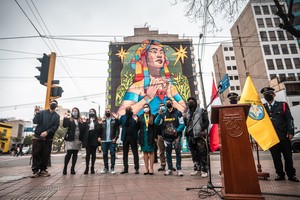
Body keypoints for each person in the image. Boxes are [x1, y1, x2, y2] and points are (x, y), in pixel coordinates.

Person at [117, 40, 186, 116]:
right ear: (144, 57)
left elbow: (184, 111)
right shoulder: (138, 86)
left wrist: (170, 96)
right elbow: (120, 114)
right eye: (154, 51)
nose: (159, 55)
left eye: (161, 52)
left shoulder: (169, 85)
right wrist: (147, 98)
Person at [261, 87, 299, 182]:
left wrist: (290, 132)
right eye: (265, 95)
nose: (267, 96)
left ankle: (291, 175)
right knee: (276, 158)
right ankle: (280, 174)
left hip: (284, 136)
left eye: (269, 94)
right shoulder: (262, 108)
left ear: (274, 95)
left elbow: (289, 119)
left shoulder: (283, 105)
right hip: (272, 138)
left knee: (288, 157)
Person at [154, 98, 185, 176]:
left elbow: (182, 124)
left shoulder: (178, 113)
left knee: (178, 153)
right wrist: (159, 114)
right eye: (167, 102)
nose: (168, 103)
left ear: (172, 103)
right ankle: (169, 169)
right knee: (168, 153)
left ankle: (179, 169)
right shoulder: (163, 114)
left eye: (169, 102)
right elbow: (156, 122)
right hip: (167, 138)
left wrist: (176, 131)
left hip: (176, 137)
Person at [31, 100, 60, 178]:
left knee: (45, 154)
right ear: (50, 104)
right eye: (52, 103)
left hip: (48, 138)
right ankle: (35, 171)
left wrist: (47, 132)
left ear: (56, 106)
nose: (53, 104)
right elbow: (35, 121)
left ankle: (43, 170)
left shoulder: (57, 116)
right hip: (38, 136)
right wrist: (37, 113)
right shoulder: (42, 112)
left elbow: (55, 127)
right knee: (36, 153)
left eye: (55, 103)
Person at [184, 97, 209, 177]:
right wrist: (185, 119)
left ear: (195, 103)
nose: (190, 103)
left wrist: (202, 129)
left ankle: (204, 170)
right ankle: (197, 169)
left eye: (191, 101)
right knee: (194, 154)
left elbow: (206, 122)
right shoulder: (187, 113)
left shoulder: (201, 111)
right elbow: (186, 124)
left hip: (199, 135)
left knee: (202, 153)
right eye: (188, 102)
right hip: (191, 136)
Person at [119, 106, 140, 174]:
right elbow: (118, 124)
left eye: (130, 109)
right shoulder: (122, 117)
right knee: (125, 154)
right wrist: (116, 119)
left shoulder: (135, 116)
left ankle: (136, 168)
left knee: (135, 153)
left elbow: (138, 127)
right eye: (127, 109)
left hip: (133, 137)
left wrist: (137, 121)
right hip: (125, 137)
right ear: (125, 110)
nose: (128, 110)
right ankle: (125, 168)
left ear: (131, 110)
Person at [62, 107, 83, 175]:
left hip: (77, 139)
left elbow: (83, 128)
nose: (74, 112)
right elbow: (64, 125)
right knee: (69, 153)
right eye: (73, 111)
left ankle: (72, 168)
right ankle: (65, 168)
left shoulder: (80, 120)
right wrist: (65, 118)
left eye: (76, 111)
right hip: (70, 139)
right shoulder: (69, 119)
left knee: (75, 154)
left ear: (78, 112)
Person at [99, 109, 119, 175]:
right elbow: (99, 130)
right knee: (104, 154)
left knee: (112, 154)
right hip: (104, 140)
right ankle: (106, 168)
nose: (107, 112)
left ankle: (112, 168)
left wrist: (115, 138)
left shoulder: (114, 121)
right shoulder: (103, 121)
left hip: (112, 140)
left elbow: (117, 130)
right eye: (106, 111)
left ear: (110, 112)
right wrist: (100, 138)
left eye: (108, 111)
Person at [81, 108, 101, 175]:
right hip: (88, 139)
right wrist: (83, 123)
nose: (91, 112)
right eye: (90, 112)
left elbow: (99, 130)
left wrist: (99, 124)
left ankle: (92, 167)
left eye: (92, 111)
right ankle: (87, 168)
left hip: (94, 139)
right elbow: (83, 130)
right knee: (88, 154)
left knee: (93, 154)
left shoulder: (97, 121)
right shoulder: (86, 121)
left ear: (95, 113)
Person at [137, 103, 156, 175]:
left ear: (149, 108)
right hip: (143, 136)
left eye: (147, 107)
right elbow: (138, 127)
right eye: (144, 107)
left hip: (150, 136)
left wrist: (155, 137)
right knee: (145, 152)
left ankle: (151, 168)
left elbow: (155, 128)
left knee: (151, 152)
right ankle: (146, 168)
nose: (146, 108)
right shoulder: (141, 117)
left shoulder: (153, 116)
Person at [155, 102, 167, 171]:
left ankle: (171, 166)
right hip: (160, 135)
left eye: (163, 106)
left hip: (168, 135)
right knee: (161, 151)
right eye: (160, 106)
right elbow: (155, 124)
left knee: (168, 151)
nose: (161, 107)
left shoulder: (167, 114)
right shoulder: (157, 115)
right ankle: (163, 164)